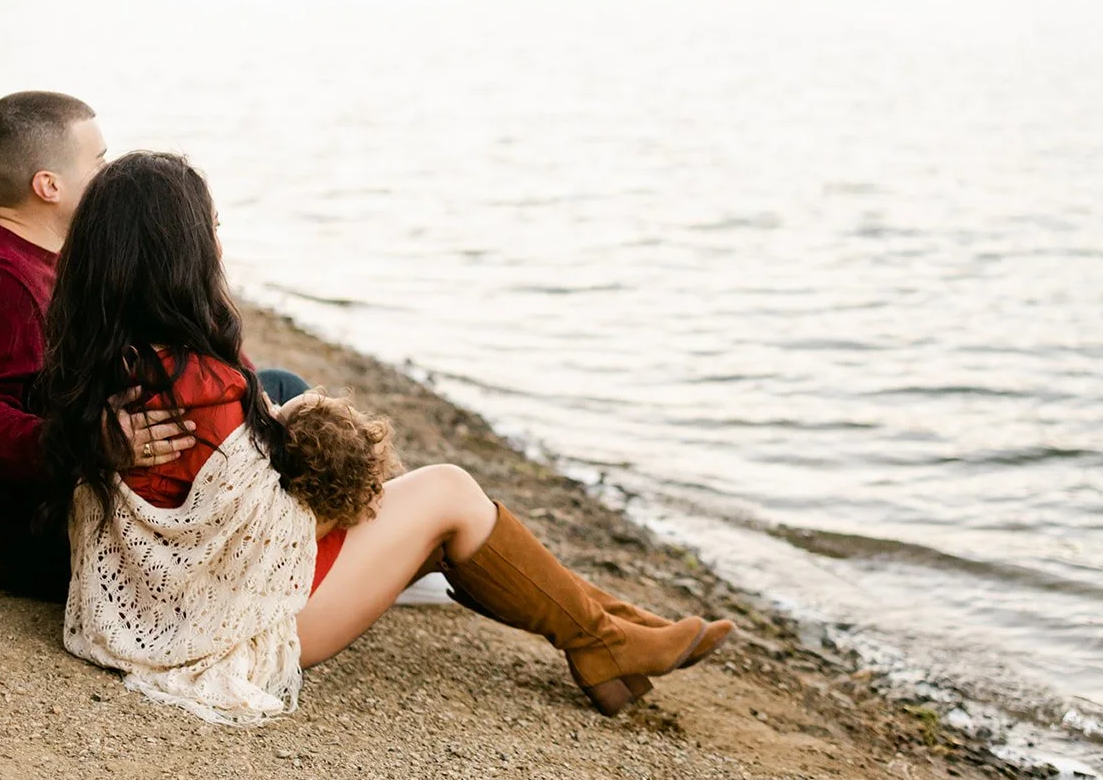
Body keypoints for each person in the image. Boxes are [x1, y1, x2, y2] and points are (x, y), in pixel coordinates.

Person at [39, 152, 733, 723]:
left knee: (435, 513)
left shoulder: (98, 358)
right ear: (182, 253)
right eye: (211, 228)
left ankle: (614, 632)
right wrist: (343, 476)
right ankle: (605, 639)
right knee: (449, 492)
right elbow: (265, 532)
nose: (220, 242)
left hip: (172, 601)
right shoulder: (200, 382)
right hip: (239, 622)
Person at [0, 91, 307, 600]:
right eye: (97, 162)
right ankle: (352, 546)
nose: (107, 173)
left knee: (273, 390)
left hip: (65, 497)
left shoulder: (54, 251)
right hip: (13, 539)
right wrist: (96, 441)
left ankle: (345, 528)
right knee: (274, 401)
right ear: (48, 185)